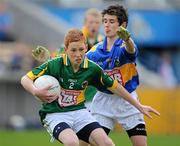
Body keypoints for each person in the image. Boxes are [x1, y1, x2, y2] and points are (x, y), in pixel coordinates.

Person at [21, 29, 159, 146]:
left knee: (107, 143)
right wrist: (35, 91)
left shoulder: (92, 69)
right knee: (72, 142)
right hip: (56, 114)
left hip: (80, 112)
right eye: (73, 50)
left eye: (81, 49)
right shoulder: (55, 64)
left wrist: (138, 106)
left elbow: (116, 88)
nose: (78, 54)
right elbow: (26, 79)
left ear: (86, 47)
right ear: (66, 49)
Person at [86, 5, 152, 146]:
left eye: (111, 21)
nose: (107, 25)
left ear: (123, 25)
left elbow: (130, 50)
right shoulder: (94, 52)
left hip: (128, 101)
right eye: (105, 21)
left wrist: (128, 39)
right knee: (95, 143)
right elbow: (79, 66)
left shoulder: (124, 45)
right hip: (103, 100)